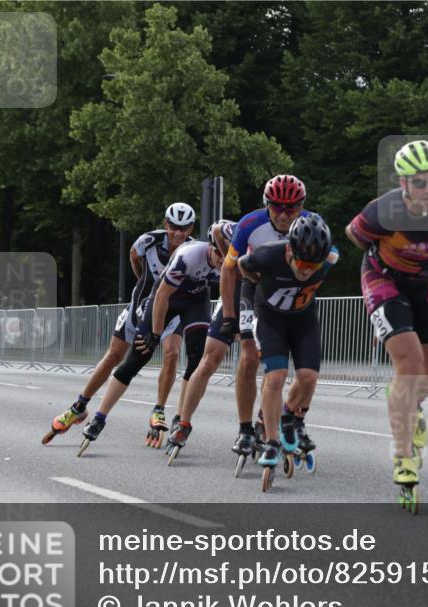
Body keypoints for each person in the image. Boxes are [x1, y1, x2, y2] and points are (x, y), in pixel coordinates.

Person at [345, 140, 428, 512]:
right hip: (384, 280)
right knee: (409, 363)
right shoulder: (381, 212)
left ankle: (407, 402)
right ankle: (403, 457)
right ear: (404, 184)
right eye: (420, 182)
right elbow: (355, 236)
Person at [42, 203, 195, 446]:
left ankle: (159, 409)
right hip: (139, 308)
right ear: (166, 225)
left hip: (168, 312)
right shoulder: (148, 241)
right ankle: (79, 406)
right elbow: (135, 257)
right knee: (113, 356)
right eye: (174, 227)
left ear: (191, 228)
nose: (178, 233)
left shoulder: (191, 251)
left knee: (172, 353)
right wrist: (143, 283)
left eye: (184, 229)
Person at [77, 235, 223, 461]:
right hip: (166, 297)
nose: (223, 260)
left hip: (196, 302)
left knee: (196, 358)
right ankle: (98, 418)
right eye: (219, 254)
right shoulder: (190, 255)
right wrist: (155, 334)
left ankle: (181, 420)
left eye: (228, 255)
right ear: (210, 248)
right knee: (136, 359)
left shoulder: (234, 261)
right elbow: (163, 294)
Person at [208, 175, 311, 458]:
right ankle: (244, 430)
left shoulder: (310, 223)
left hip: (286, 289)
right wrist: (229, 315)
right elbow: (229, 269)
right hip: (252, 286)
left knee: (276, 361)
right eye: (277, 207)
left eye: (292, 208)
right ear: (267, 204)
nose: (284, 215)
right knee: (249, 356)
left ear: (301, 206)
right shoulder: (250, 224)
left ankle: (268, 419)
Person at [236, 213, 338, 490]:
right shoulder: (268, 255)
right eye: (303, 263)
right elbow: (241, 266)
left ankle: (288, 416)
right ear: (290, 250)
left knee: (308, 378)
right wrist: (257, 285)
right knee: (276, 376)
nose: (307, 271)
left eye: (312, 265)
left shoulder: (329, 258)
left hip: (304, 320)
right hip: (271, 319)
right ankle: (270, 441)